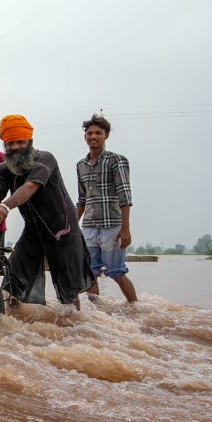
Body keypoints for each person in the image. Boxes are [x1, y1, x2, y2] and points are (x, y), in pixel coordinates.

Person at [0, 115, 94, 308]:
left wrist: (5, 206)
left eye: (20, 142)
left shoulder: (45, 159)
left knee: (68, 292)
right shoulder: (2, 169)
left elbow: (29, 187)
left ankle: (75, 328)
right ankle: (16, 325)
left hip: (62, 230)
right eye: (10, 143)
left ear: (30, 142)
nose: (15, 147)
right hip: (33, 231)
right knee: (13, 281)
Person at [75, 114, 138, 302]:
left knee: (116, 272)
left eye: (98, 133)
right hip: (89, 227)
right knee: (90, 273)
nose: (93, 137)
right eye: (89, 133)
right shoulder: (81, 165)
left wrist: (125, 227)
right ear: (85, 137)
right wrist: (70, 225)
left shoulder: (116, 160)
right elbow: (82, 199)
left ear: (106, 136)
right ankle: (97, 315)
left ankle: (135, 309)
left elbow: (125, 195)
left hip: (113, 227)